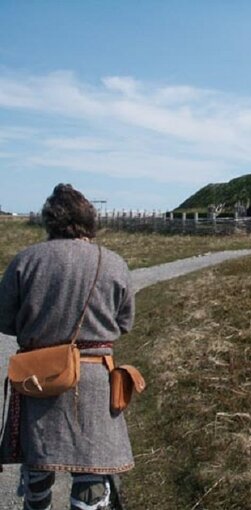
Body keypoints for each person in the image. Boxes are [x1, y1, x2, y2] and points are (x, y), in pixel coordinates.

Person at [0, 184, 134, 510]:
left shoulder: (25, 261)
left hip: (38, 379)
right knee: (90, 473)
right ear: (89, 220)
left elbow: (4, 320)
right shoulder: (114, 263)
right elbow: (124, 324)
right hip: (92, 381)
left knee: (39, 461)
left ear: (51, 221)